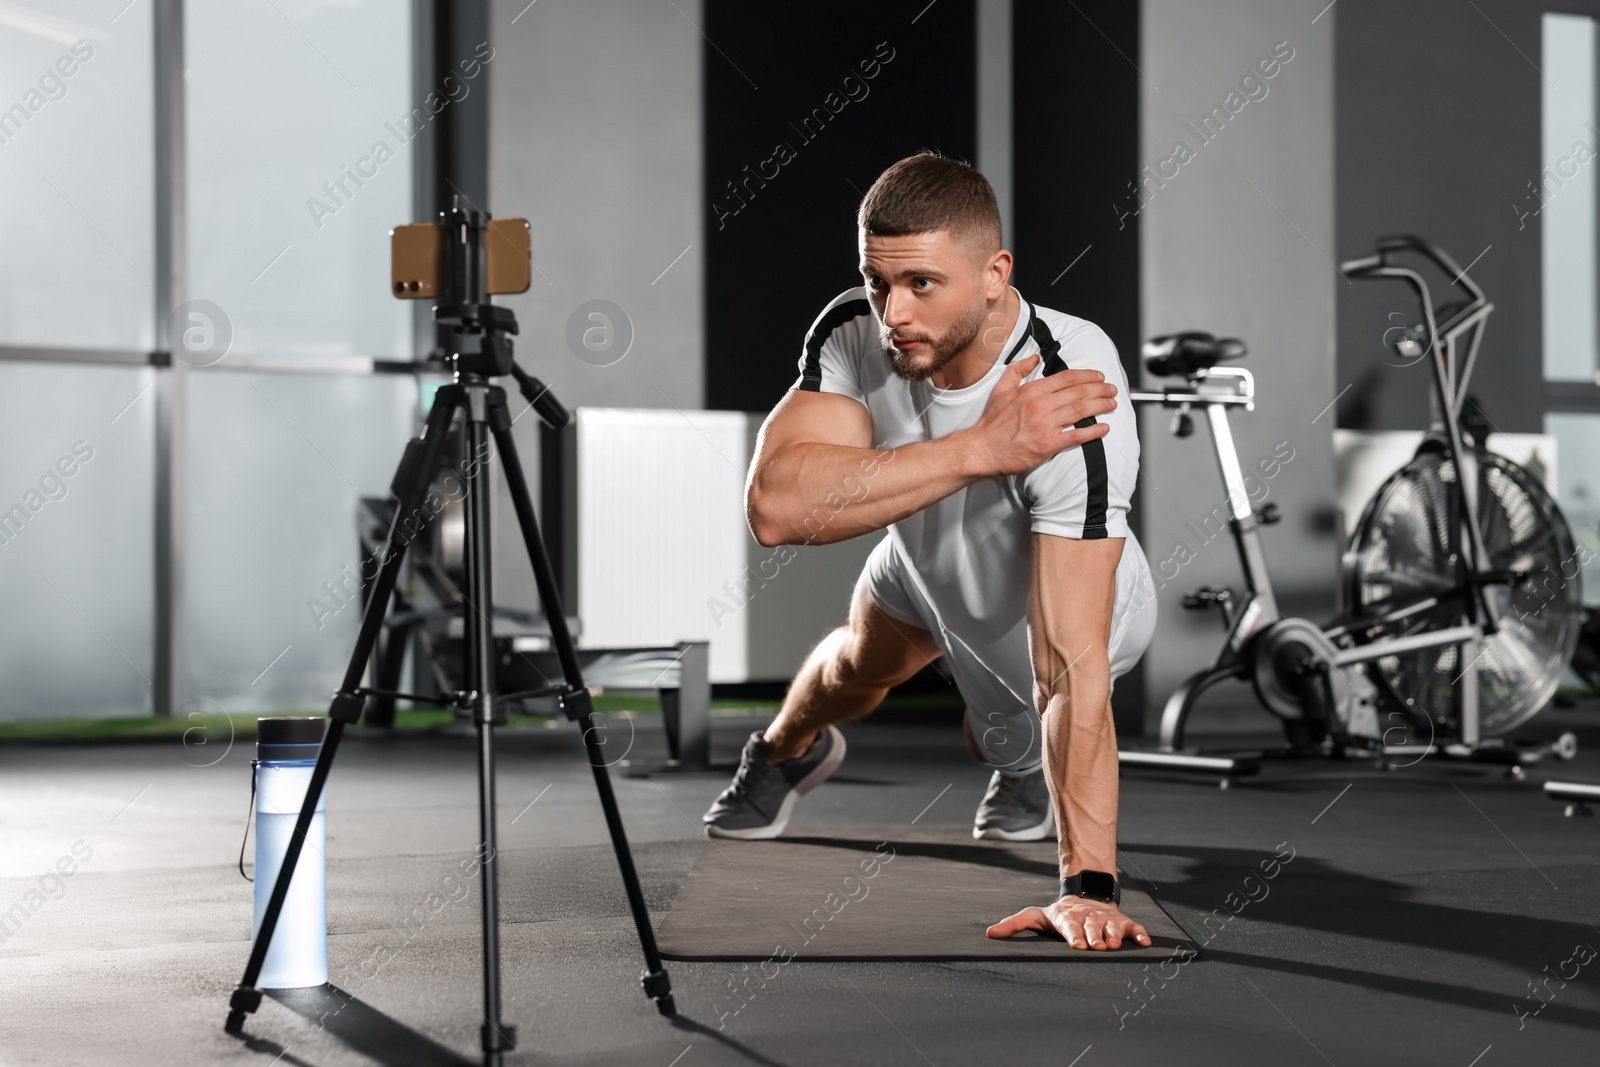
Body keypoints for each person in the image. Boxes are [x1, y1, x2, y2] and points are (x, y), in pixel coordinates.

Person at [701, 152, 1158, 951]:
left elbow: (1068, 667)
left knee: (1013, 723)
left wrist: (1088, 888)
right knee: (851, 667)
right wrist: (980, 448)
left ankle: (1017, 764)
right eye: (878, 282)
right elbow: (775, 507)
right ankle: (781, 751)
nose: (893, 312)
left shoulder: (1069, 383)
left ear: (994, 273)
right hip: (919, 557)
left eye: (921, 283)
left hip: (1061, 602)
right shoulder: (854, 330)